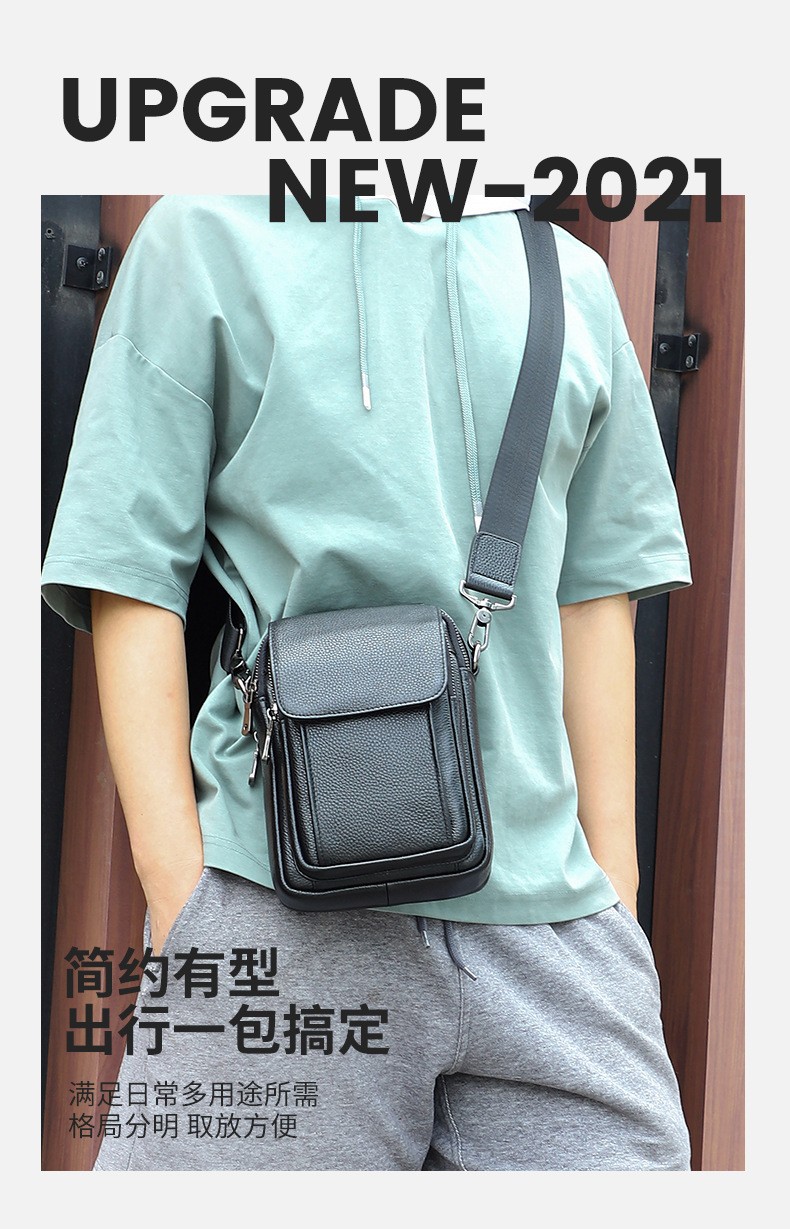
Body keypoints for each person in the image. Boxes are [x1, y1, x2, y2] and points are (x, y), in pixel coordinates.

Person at [41, 192, 693, 1171]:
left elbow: (595, 595)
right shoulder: (206, 237)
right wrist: (184, 900)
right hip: (278, 897)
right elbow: (130, 571)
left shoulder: (571, 280)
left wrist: (616, 899)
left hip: (554, 930)